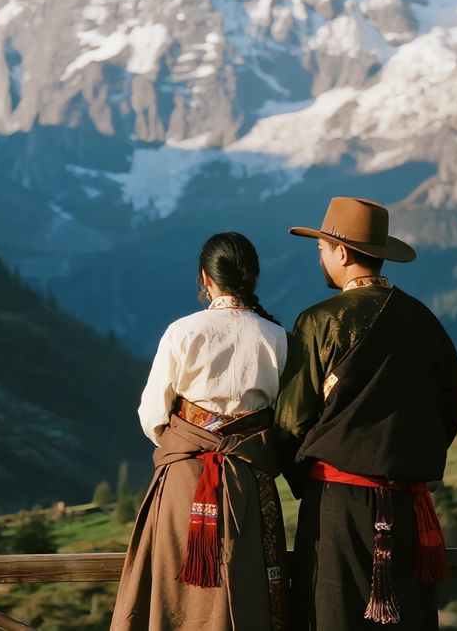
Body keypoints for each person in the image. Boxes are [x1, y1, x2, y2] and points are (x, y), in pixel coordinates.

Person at [275, 197, 457, 630]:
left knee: (331, 618)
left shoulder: (320, 322)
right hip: (406, 507)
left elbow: (289, 420)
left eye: (322, 248)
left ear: (342, 252)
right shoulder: (424, 321)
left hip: (335, 507)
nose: (320, 256)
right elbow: (449, 404)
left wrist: (304, 474)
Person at [110, 232, 289, 631]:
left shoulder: (182, 332)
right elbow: (283, 415)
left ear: (206, 279)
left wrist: (188, 444)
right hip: (249, 482)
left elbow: (152, 414)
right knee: (246, 589)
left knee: (174, 595)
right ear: (254, 278)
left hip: (183, 482)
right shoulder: (276, 337)